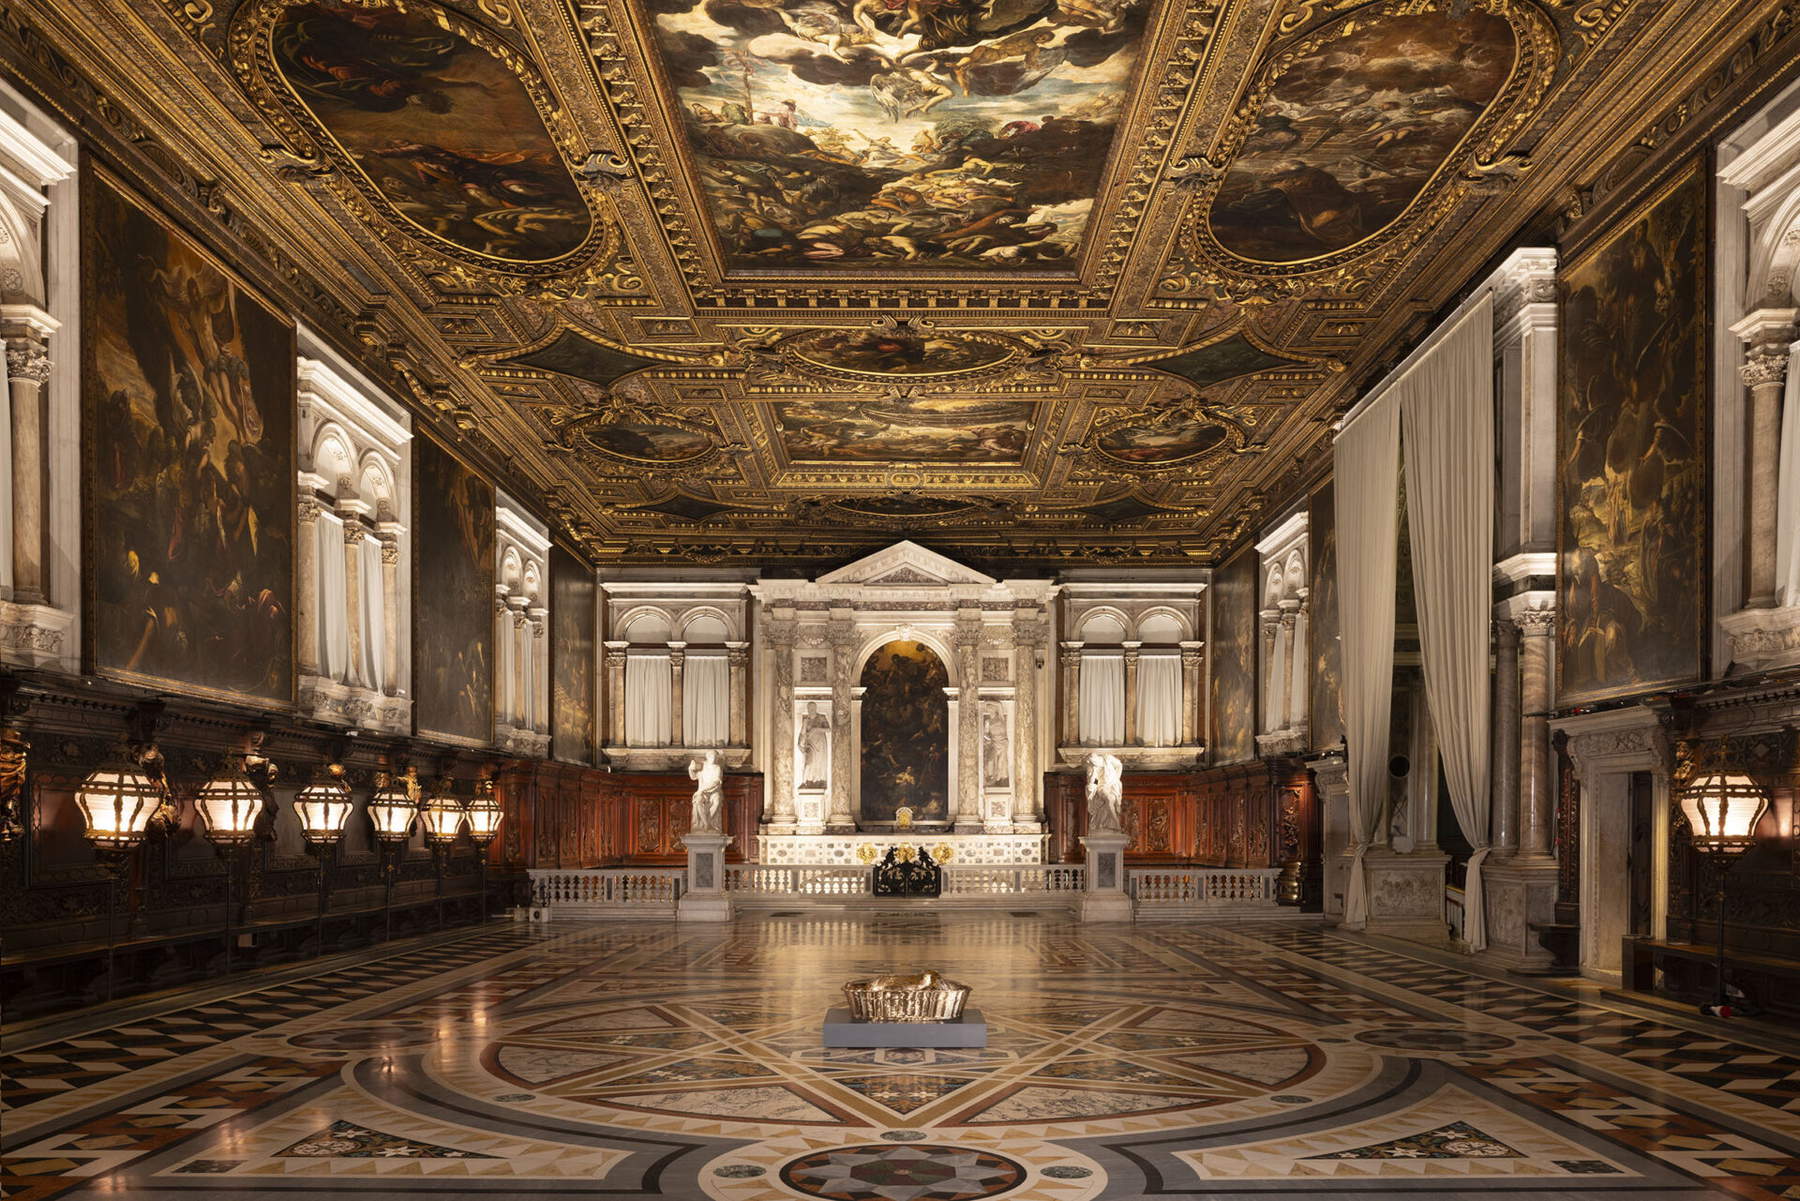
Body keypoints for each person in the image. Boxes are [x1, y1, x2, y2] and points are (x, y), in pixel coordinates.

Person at [1085, 751, 1124, 834]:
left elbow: (1119, 765)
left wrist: (1116, 779)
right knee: (1109, 800)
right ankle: (1116, 823)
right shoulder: (1093, 768)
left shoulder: (1108, 758)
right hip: (1101, 787)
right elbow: (1095, 781)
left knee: (1111, 801)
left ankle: (1110, 824)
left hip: (1112, 786)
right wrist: (1092, 786)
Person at [688, 750, 724, 833]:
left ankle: (709, 821)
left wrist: (703, 790)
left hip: (713, 791)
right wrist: (690, 769)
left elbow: (716, 782)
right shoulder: (702, 766)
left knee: (717, 801)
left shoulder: (717, 768)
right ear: (707, 757)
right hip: (702, 792)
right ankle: (706, 823)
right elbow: (693, 777)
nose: (713, 758)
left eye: (715, 756)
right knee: (698, 801)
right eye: (711, 756)